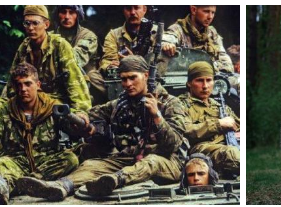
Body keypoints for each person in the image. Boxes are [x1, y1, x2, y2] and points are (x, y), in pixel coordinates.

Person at [15, 55, 188, 201]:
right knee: (92, 164)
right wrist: (82, 117)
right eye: (123, 79)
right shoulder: (121, 104)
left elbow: (172, 145)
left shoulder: (170, 103)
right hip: (132, 157)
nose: (127, 84)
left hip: (168, 162)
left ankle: (115, 180)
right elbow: (93, 114)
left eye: (132, 78)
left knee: (152, 162)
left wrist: (157, 116)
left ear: (146, 75)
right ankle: (62, 186)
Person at [0, 5, 92, 154]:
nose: (31, 28)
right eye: (27, 23)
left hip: (52, 100)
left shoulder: (60, 46)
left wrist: (82, 111)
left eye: (35, 23)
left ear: (46, 25)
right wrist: (4, 106)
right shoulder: (24, 47)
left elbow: (75, 82)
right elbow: (12, 83)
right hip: (26, 98)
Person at [0, 63, 84, 204]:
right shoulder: (6, 109)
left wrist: (79, 122)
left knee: (70, 159)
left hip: (46, 159)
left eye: (28, 84)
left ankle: (29, 183)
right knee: (3, 163)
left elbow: (71, 125)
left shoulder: (52, 107)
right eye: (18, 85)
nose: (23, 89)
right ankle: (3, 188)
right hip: (17, 159)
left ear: (38, 85)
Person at [90, 5, 172, 104]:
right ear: (124, 11)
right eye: (128, 8)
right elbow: (107, 62)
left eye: (136, 8)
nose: (132, 12)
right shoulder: (114, 35)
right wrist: (118, 66)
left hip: (149, 79)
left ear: (144, 10)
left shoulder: (157, 32)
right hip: (122, 80)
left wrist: (133, 62)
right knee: (92, 76)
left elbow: (160, 61)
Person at [177, 61, 240, 179]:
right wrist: (219, 123)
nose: (205, 86)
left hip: (228, 144)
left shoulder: (218, 105)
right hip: (201, 149)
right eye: (200, 80)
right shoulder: (180, 104)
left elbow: (237, 124)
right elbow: (186, 130)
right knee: (232, 153)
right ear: (189, 83)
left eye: (209, 80)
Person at [162, 5, 234, 72]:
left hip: (209, 77)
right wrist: (168, 45)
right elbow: (166, 41)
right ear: (193, 10)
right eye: (206, 11)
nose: (210, 17)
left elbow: (225, 60)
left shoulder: (212, 33)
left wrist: (216, 69)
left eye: (213, 13)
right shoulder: (178, 29)